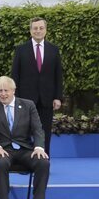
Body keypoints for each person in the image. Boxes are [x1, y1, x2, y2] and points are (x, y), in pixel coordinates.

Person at [0, 76, 50, 199]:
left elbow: (38, 129)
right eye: (0, 91)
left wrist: (39, 147)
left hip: (24, 149)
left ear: (13, 91)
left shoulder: (28, 105)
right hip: (4, 150)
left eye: (6, 90)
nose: (3, 94)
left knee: (43, 162)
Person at [11, 17, 63, 154]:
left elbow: (58, 75)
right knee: (25, 131)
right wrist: (14, 98)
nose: (38, 31)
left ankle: (43, 162)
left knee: (45, 132)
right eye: (35, 28)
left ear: (45, 30)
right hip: (25, 99)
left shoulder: (54, 50)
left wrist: (58, 97)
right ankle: (25, 161)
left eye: (41, 28)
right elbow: (15, 75)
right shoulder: (21, 50)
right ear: (30, 30)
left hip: (47, 99)